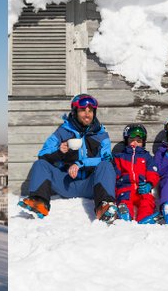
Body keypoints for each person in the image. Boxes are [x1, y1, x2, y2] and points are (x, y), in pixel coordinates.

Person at [17, 93, 118, 223]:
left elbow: (107, 158)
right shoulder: (62, 132)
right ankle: (39, 202)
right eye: (83, 110)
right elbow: (43, 153)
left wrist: (80, 163)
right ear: (75, 111)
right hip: (66, 183)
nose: (87, 114)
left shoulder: (101, 135)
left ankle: (105, 207)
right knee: (40, 164)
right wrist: (59, 152)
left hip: (90, 184)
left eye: (90, 110)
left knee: (106, 166)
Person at [112, 124, 160, 224]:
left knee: (147, 200)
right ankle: (125, 215)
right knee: (125, 200)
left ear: (143, 142)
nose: (135, 143)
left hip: (141, 188)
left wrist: (149, 184)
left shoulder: (147, 157)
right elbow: (115, 175)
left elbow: (153, 173)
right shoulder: (120, 157)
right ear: (126, 141)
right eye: (132, 140)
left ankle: (144, 218)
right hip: (125, 188)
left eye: (139, 141)